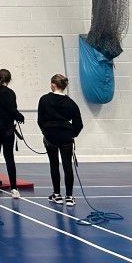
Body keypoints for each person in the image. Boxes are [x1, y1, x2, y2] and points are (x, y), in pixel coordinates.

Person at [37, 74, 83, 206]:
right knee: (67, 165)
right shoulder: (71, 103)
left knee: (54, 164)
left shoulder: (44, 99)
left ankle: (57, 195)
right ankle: (69, 196)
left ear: (53, 85)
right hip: (66, 136)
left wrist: (45, 131)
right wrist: (72, 134)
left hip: (50, 136)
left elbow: (40, 120)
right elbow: (78, 124)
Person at [0, 68, 24, 199]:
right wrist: (20, 117)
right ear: (9, 79)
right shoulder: (9, 93)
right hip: (6, 129)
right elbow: (12, 110)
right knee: (9, 157)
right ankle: (14, 189)